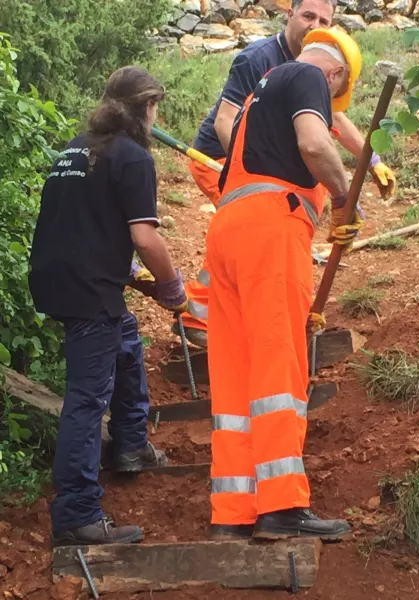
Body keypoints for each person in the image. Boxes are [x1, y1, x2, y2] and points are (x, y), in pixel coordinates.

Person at [206, 27, 364, 540]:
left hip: (228, 231)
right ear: (336, 75)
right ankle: (281, 507)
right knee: (279, 365)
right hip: (272, 229)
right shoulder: (309, 76)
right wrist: (343, 195)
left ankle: (233, 511)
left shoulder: (261, 90)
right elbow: (315, 143)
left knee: (236, 373)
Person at [176, 0, 396, 348]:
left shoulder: (313, 65)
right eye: (308, 15)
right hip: (220, 158)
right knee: (252, 231)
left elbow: (333, 118)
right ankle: (204, 318)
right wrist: (248, 170)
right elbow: (224, 119)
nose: (314, 24)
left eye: (323, 19)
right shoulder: (258, 59)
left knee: (275, 224)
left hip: (264, 164)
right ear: (289, 14)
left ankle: (255, 310)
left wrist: (373, 160)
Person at [29, 66, 188, 547]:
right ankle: (77, 513)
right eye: (155, 107)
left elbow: (85, 223)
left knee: (127, 344)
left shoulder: (76, 149)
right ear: (146, 108)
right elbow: (144, 236)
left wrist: (129, 276)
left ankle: (131, 446)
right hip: (89, 288)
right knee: (86, 398)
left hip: (57, 276)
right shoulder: (133, 156)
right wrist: (172, 288)